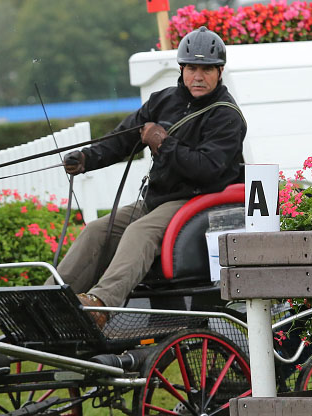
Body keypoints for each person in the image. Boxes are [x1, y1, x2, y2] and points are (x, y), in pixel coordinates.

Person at [52, 26, 247, 327]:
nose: (198, 76)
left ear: (220, 72)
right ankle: (52, 300)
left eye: (206, 70)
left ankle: (101, 304)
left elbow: (207, 169)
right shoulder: (163, 100)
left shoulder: (226, 116)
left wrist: (164, 143)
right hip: (160, 200)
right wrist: (88, 158)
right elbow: (123, 138)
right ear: (181, 69)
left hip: (199, 202)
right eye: (192, 68)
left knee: (139, 232)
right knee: (96, 230)